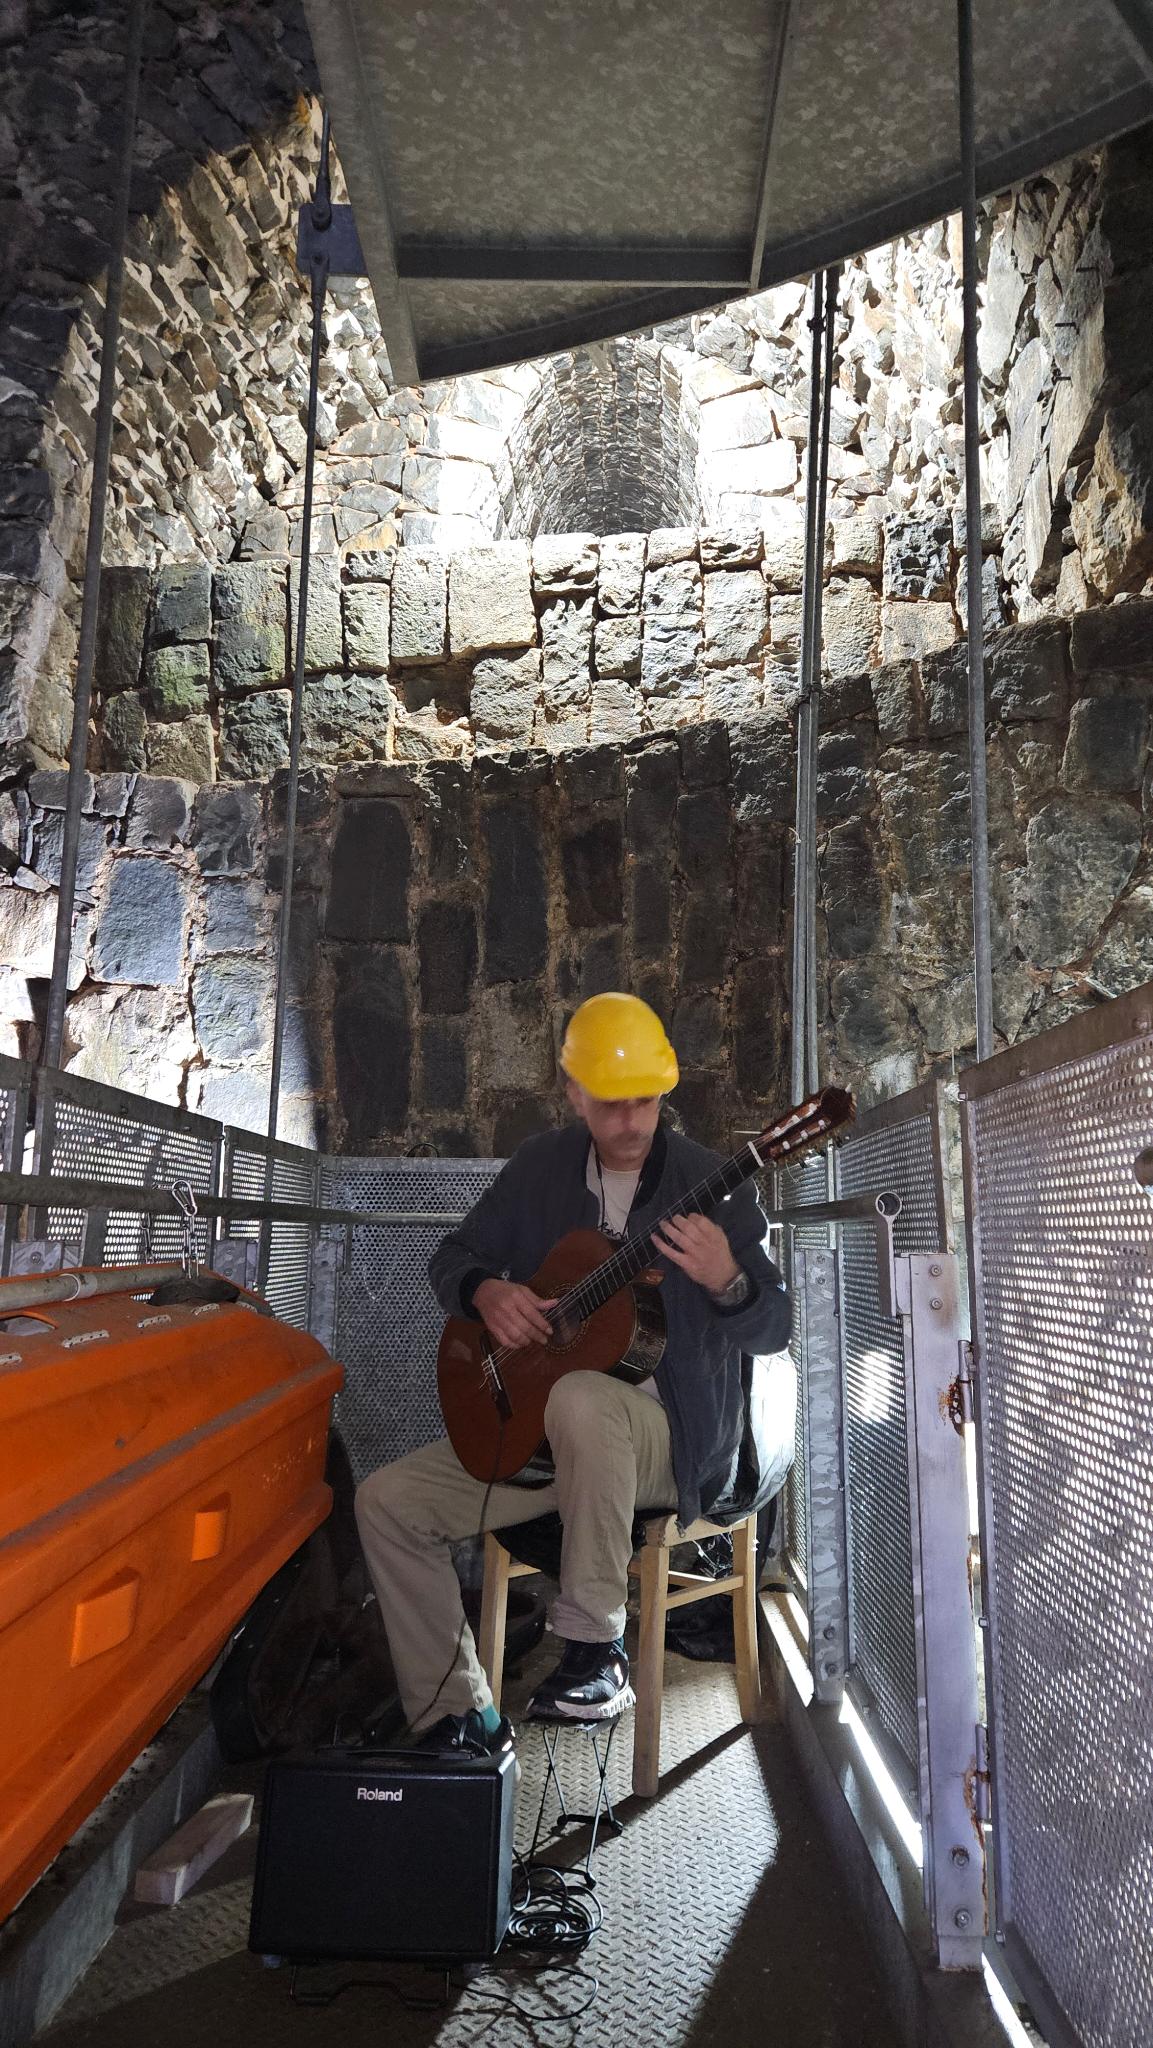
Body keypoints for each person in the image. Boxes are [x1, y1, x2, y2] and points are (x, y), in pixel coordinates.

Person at [354, 992, 791, 1758]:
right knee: (387, 1502)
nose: (630, 1121)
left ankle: (594, 1650)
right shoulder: (540, 1168)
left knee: (584, 1396)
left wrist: (727, 1279)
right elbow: (453, 1257)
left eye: (645, 1100)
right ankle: (457, 1722)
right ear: (572, 1094)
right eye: (610, 1102)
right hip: (546, 1443)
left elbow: (773, 1327)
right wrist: (485, 1293)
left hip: (672, 1440)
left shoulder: (709, 1182)